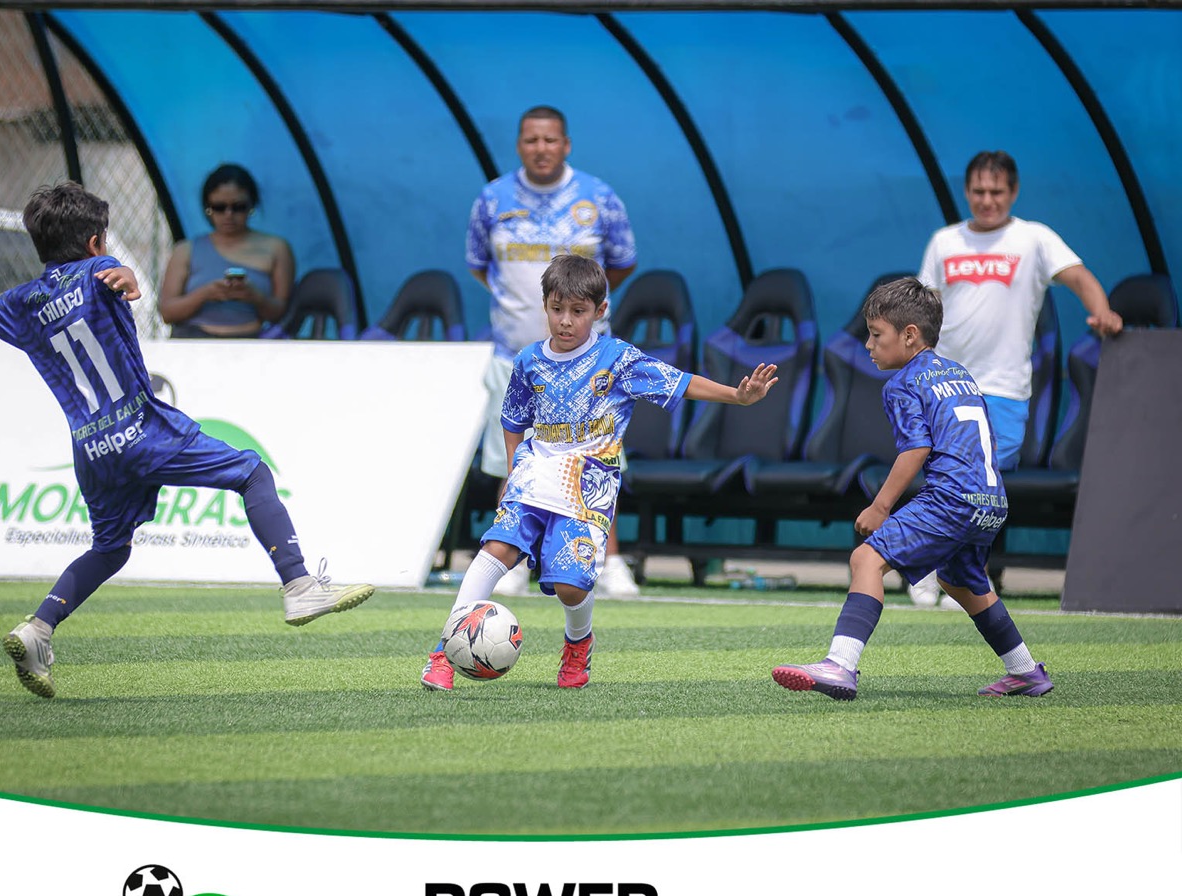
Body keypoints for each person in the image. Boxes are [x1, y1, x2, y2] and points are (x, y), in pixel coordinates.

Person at [0, 181, 372, 699]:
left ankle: (38, 629)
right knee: (252, 471)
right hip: (143, 429)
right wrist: (127, 276)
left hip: (91, 448)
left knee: (111, 549)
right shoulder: (99, 270)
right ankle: (299, 585)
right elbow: (117, 277)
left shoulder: (22, 302)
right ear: (95, 241)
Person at [422, 254, 779, 692]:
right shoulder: (528, 361)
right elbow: (513, 419)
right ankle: (442, 653)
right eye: (557, 309)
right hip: (534, 476)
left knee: (570, 587)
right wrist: (515, 468)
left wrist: (737, 396)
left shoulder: (618, 359)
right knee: (496, 549)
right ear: (544, 305)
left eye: (578, 311)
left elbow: (679, 381)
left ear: (600, 310)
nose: (565, 321)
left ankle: (578, 643)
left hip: (587, 488)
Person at [771, 277, 1052, 702]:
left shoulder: (904, 384)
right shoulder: (959, 374)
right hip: (991, 500)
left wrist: (881, 506)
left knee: (866, 559)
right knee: (962, 582)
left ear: (909, 335)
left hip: (952, 498)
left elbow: (917, 449)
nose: (868, 344)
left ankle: (839, 665)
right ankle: (1025, 671)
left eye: (876, 334)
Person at [908, 149, 1122, 608]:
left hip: (1004, 389)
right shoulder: (944, 241)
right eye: (979, 191)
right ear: (966, 191)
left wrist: (1101, 311)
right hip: (947, 385)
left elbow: (1079, 277)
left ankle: (957, 572)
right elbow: (923, 309)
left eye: (997, 191)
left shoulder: (1034, 238)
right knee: (943, 478)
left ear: (1014, 191)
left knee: (983, 486)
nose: (988, 200)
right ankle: (933, 569)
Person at [466, 105, 642, 597]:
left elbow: (622, 263)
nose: (540, 148)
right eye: (531, 140)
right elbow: (479, 265)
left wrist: (578, 315)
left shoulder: (599, 197)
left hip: (589, 363)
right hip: (513, 355)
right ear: (519, 145)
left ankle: (609, 562)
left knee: (597, 459)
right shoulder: (492, 198)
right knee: (514, 460)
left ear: (566, 144)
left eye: (550, 140)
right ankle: (513, 565)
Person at [159, 163, 294, 338]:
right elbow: (167, 312)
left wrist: (254, 296)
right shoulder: (185, 250)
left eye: (238, 207)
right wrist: (206, 294)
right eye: (219, 207)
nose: (228, 215)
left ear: (251, 206)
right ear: (208, 209)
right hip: (193, 339)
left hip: (253, 341)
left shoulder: (277, 248)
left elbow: (281, 313)